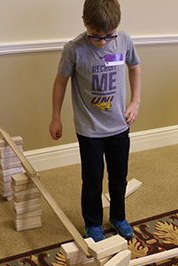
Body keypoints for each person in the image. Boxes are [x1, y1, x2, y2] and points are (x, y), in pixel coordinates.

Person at [49, 0, 141, 242]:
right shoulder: (74, 49)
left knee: (119, 175)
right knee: (92, 180)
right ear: (84, 23)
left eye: (109, 36)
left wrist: (135, 101)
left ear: (117, 27)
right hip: (89, 130)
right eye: (96, 36)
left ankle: (118, 217)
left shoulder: (124, 41)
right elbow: (60, 82)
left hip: (119, 125)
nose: (102, 42)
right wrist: (55, 117)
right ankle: (92, 223)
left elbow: (135, 67)